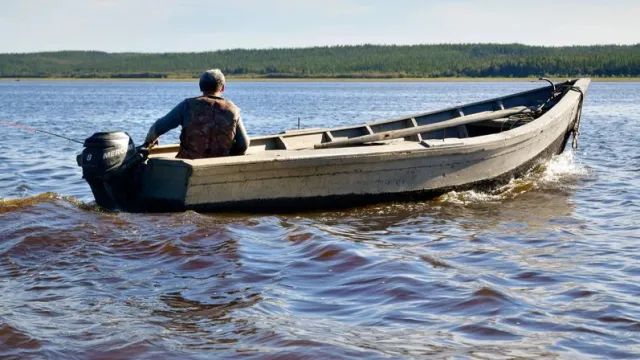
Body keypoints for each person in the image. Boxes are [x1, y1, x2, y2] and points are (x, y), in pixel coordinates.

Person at [144, 69, 250, 159]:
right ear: (223, 88)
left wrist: (149, 142)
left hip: (188, 165)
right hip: (219, 165)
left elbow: (158, 127)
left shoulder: (187, 106)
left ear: (201, 87)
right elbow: (244, 144)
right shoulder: (233, 110)